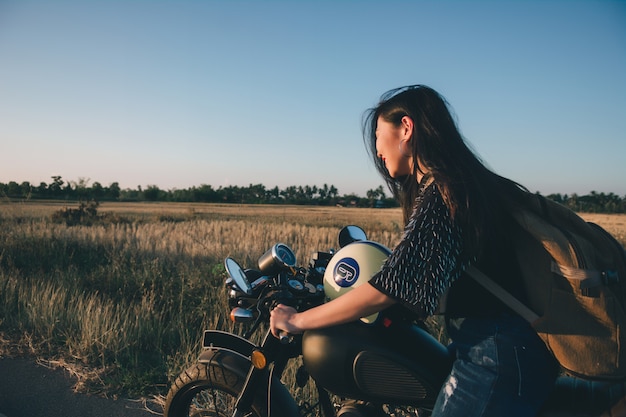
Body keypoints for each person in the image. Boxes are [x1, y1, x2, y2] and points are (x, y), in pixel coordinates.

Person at [270, 85, 559, 416]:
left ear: (406, 128)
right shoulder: (458, 184)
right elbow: (419, 281)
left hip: (497, 354)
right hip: (495, 344)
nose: (377, 149)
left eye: (379, 134)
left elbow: (388, 288)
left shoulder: (445, 191)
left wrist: (299, 320)